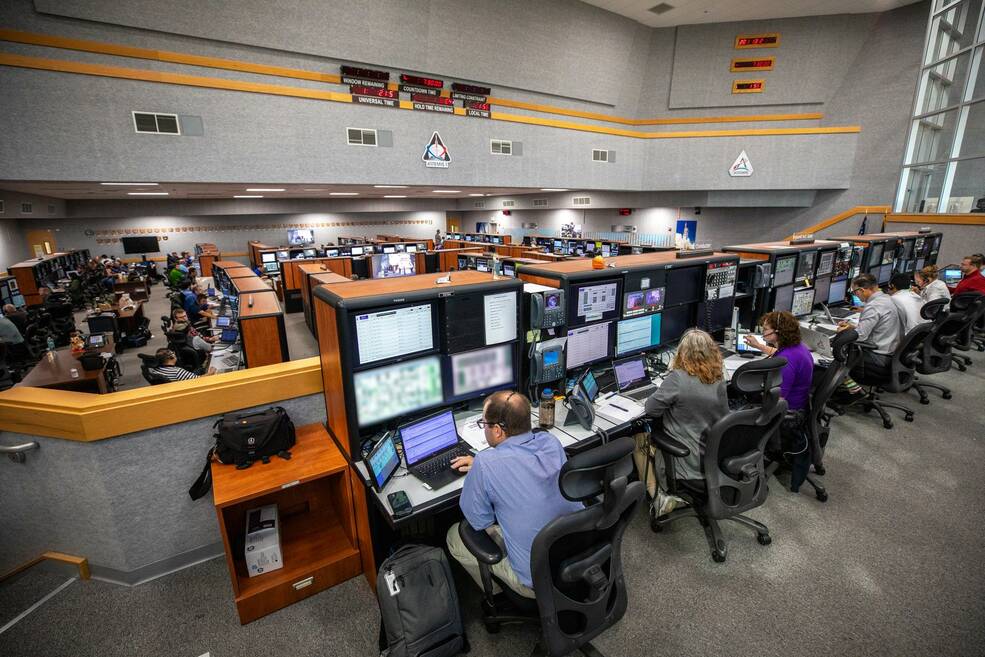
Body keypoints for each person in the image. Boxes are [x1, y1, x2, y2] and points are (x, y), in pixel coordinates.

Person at [446, 391, 581, 598]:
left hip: (539, 579)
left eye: (484, 424)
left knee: (455, 535)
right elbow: (525, 464)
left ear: (498, 431)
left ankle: (502, 597)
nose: (485, 429)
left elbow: (479, 521)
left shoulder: (485, 463)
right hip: (580, 556)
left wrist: (481, 471)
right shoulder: (550, 442)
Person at [643, 329, 729, 514]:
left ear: (682, 352)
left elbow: (651, 409)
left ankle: (658, 497)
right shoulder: (719, 378)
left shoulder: (678, 379)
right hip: (712, 458)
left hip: (684, 462)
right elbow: (725, 417)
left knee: (639, 438)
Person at [745, 311, 813, 490]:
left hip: (788, 416)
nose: (763, 333)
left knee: (735, 400)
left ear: (778, 332)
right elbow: (778, 353)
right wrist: (760, 346)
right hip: (799, 407)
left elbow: (778, 399)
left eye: (766, 330)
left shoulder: (787, 360)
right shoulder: (797, 349)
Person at [838, 273, 905, 382]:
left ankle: (849, 390)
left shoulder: (874, 306)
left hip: (879, 357)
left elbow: (860, 337)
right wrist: (852, 327)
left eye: (855, 292)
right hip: (893, 354)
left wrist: (843, 332)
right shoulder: (889, 299)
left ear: (863, 290)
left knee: (837, 352)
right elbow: (879, 327)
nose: (855, 295)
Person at [149, 348, 214, 381]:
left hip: (175, 385)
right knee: (204, 370)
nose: (175, 354)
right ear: (171, 357)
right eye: (173, 353)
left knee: (200, 369)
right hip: (189, 384)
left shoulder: (155, 370)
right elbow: (198, 380)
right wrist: (211, 373)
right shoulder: (177, 372)